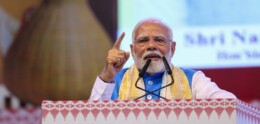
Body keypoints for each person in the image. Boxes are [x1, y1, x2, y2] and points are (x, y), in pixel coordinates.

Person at [89, 18, 236, 101]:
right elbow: (91, 121)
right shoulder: (116, 81)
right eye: (143, 41)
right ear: (132, 50)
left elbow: (228, 103)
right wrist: (107, 76)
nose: (151, 46)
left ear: (172, 48)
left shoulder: (193, 80)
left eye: (159, 40)